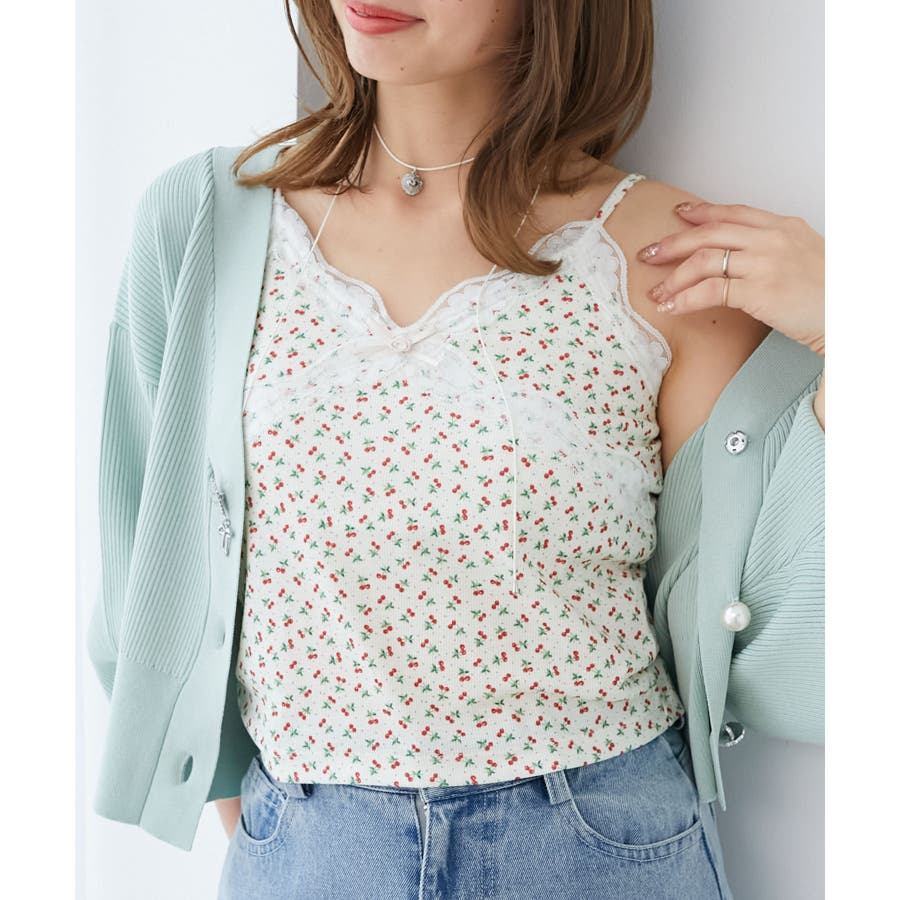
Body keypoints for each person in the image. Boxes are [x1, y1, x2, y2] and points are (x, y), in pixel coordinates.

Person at [87, 2, 824, 898]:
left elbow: (803, 642)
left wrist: (854, 334)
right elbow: (146, 561)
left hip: (595, 850)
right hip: (309, 848)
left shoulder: (674, 259)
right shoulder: (209, 223)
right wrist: (288, 826)